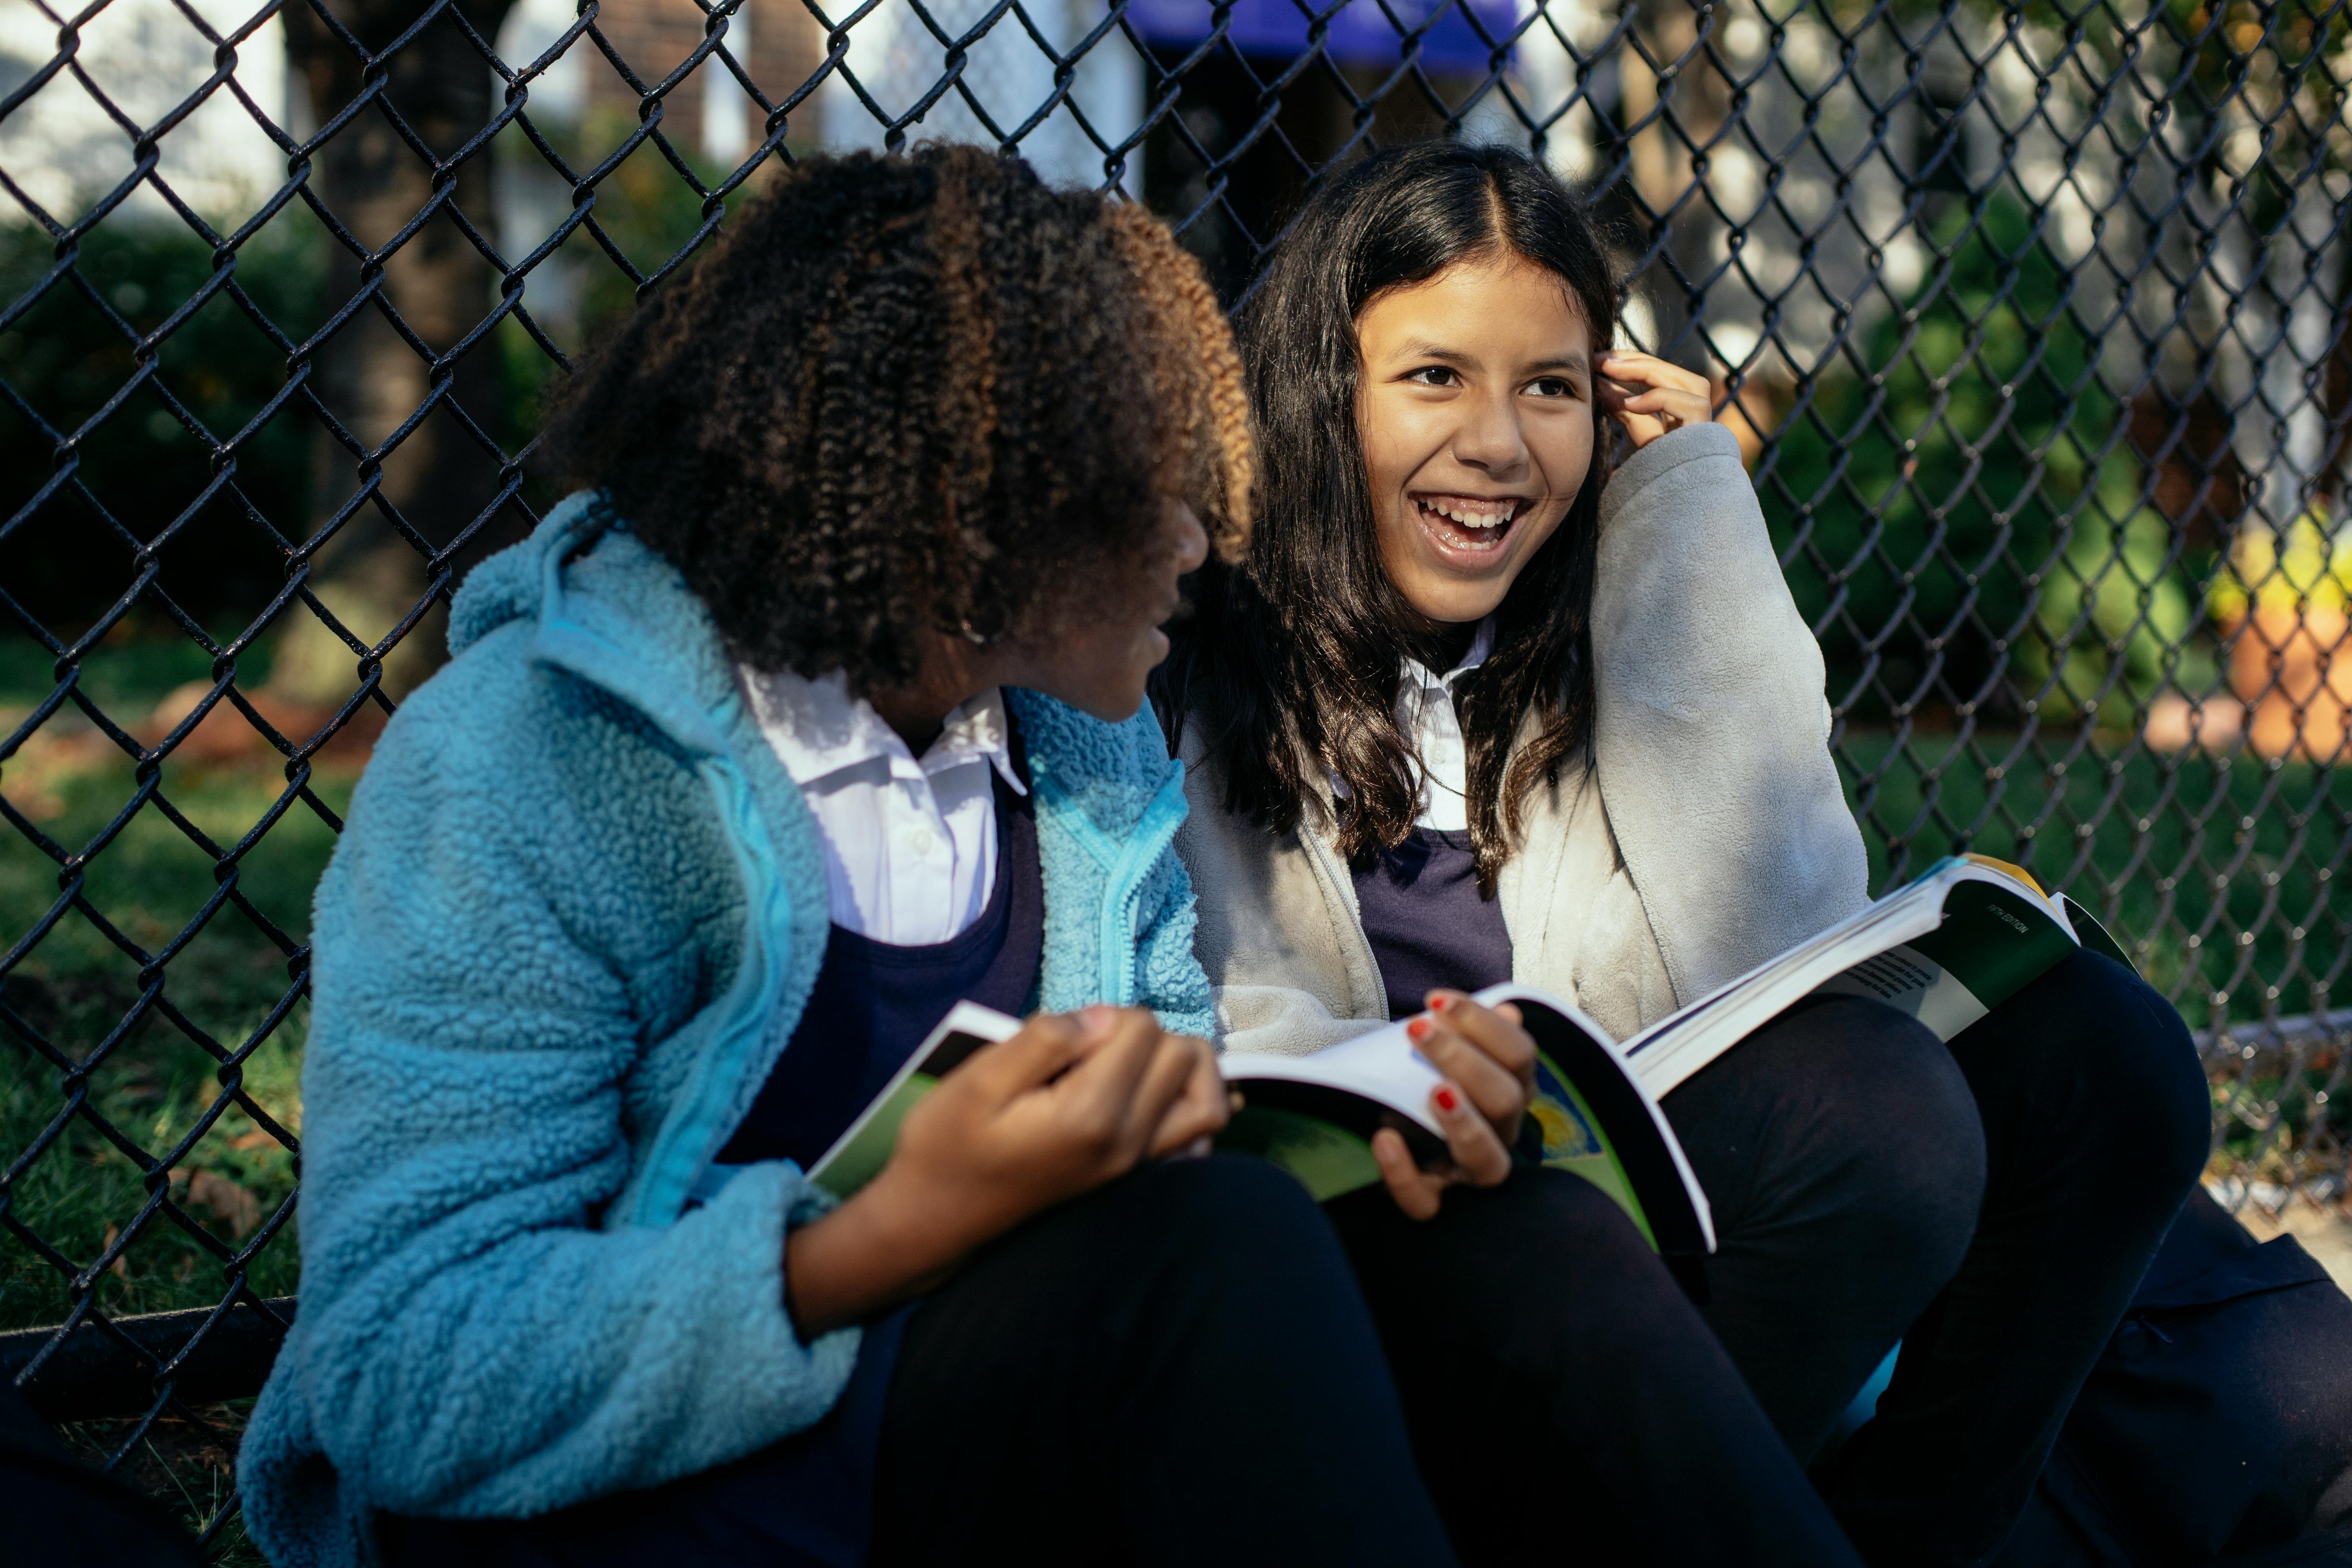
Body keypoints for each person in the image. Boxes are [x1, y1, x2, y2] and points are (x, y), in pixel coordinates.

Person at [236, 147, 1468, 1568]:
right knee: (1219, 1256)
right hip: (600, 1508)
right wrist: (879, 1238)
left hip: (940, 1422)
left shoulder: (1081, 756)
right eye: (1151, 493)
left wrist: (1365, 1125)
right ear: (967, 511)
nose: (1203, 542)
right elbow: (406, 1373)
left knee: (1485, 1237)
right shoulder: (529, 762)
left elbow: (1164, 1130)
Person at [1158, 140, 2212, 1568]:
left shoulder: (1596, 625)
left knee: (2112, 1059)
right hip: (1405, 1287)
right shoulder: (1196, 655)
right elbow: (1223, 1044)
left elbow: (1762, 941)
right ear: (1319, 390)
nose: (1499, 444)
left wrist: (1694, 509)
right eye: (1433, 379)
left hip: (1645, 1243)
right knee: (1885, 1117)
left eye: (1549, 386)